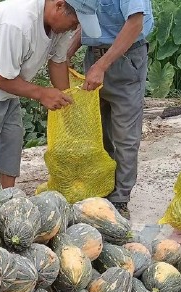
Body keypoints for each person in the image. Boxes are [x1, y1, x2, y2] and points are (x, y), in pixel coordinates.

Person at [0, 0, 102, 190]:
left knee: (11, 143)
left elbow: (57, 62)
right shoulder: (18, 23)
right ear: (59, 6)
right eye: (75, 22)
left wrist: (67, 102)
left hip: (7, 85)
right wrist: (42, 94)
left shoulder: (59, 28)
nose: (76, 28)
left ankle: (9, 200)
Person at [67, 0, 154, 219]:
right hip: (95, 55)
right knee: (97, 130)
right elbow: (87, 19)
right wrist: (66, 53)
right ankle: (104, 186)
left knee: (125, 133)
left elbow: (135, 23)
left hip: (125, 58)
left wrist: (102, 66)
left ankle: (120, 198)